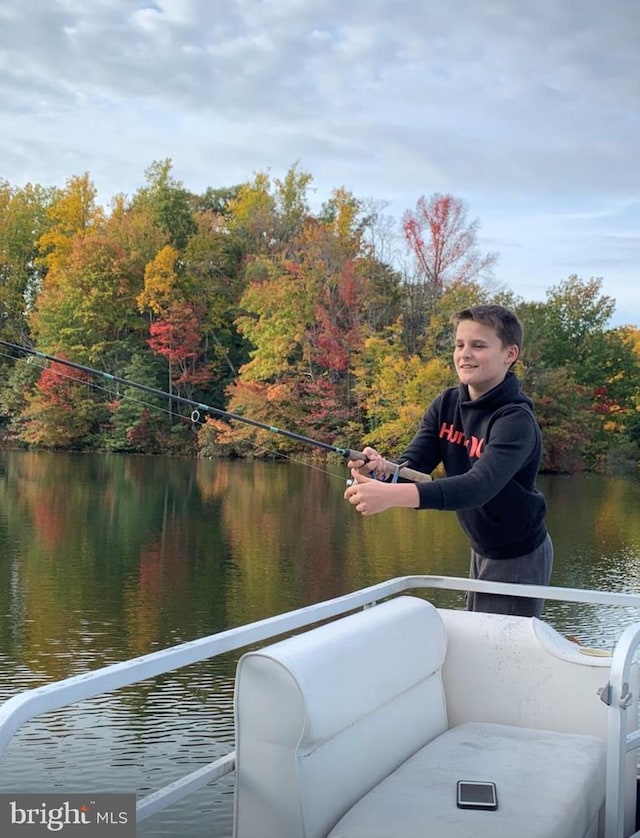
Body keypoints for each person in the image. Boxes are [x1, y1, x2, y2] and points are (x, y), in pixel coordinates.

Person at [344, 304, 553, 617]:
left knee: (496, 654)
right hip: (481, 547)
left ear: (510, 354)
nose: (464, 354)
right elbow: (413, 465)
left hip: (519, 554)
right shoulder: (447, 404)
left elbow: (477, 487)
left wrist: (391, 496)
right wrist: (382, 472)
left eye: (478, 346)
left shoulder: (516, 420)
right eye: (459, 345)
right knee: (479, 639)